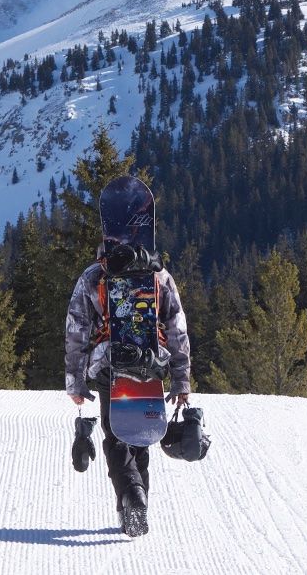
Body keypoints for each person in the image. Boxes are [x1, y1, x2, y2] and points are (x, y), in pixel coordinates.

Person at [64, 229, 191, 534]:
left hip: (111, 362)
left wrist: (76, 381)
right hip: (152, 361)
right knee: (142, 432)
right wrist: (180, 378)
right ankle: (136, 505)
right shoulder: (159, 274)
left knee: (117, 434)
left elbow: (76, 329)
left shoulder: (94, 275)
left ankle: (131, 495)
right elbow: (176, 326)